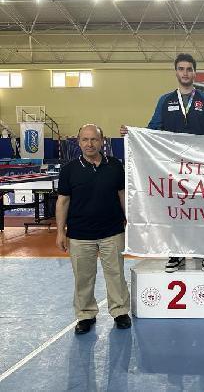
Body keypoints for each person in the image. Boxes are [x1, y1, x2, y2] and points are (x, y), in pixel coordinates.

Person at [121, 53, 204, 273]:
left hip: (201, 167)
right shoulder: (165, 101)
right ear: (176, 72)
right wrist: (134, 133)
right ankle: (176, 253)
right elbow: (153, 128)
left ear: (195, 73)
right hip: (173, 168)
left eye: (189, 69)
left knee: (202, 210)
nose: (185, 73)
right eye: (181, 69)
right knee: (176, 210)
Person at [56, 124, 131, 335]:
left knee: (116, 275)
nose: (90, 144)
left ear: (102, 141)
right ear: (78, 142)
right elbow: (62, 202)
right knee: (83, 278)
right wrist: (60, 232)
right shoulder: (69, 170)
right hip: (79, 235)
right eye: (85, 140)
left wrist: (130, 222)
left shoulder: (115, 166)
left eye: (94, 139)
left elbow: (122, 195)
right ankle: (85, 315)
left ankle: (120, 312)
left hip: (112, 231)